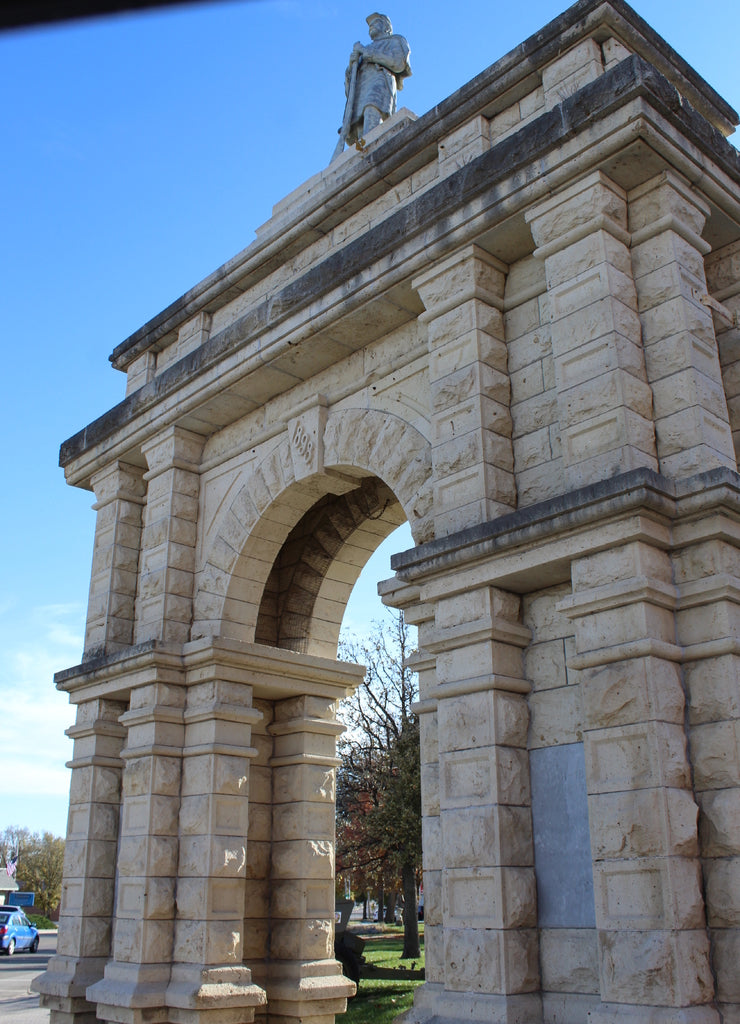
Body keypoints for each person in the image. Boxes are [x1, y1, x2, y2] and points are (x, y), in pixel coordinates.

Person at [342, 13, 411, 148]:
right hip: (361, 92)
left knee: (372, 110)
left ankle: (372, 147)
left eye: (376, 22)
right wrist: (351, 66)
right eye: (370, 24)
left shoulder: (395, 41)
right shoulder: (364, 50)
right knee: (358, 125)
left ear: (386, 27)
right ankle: (361, 152)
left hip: (380, 83)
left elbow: (398, 63)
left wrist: (367, 53)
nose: (371, 26)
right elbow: (349, 88)